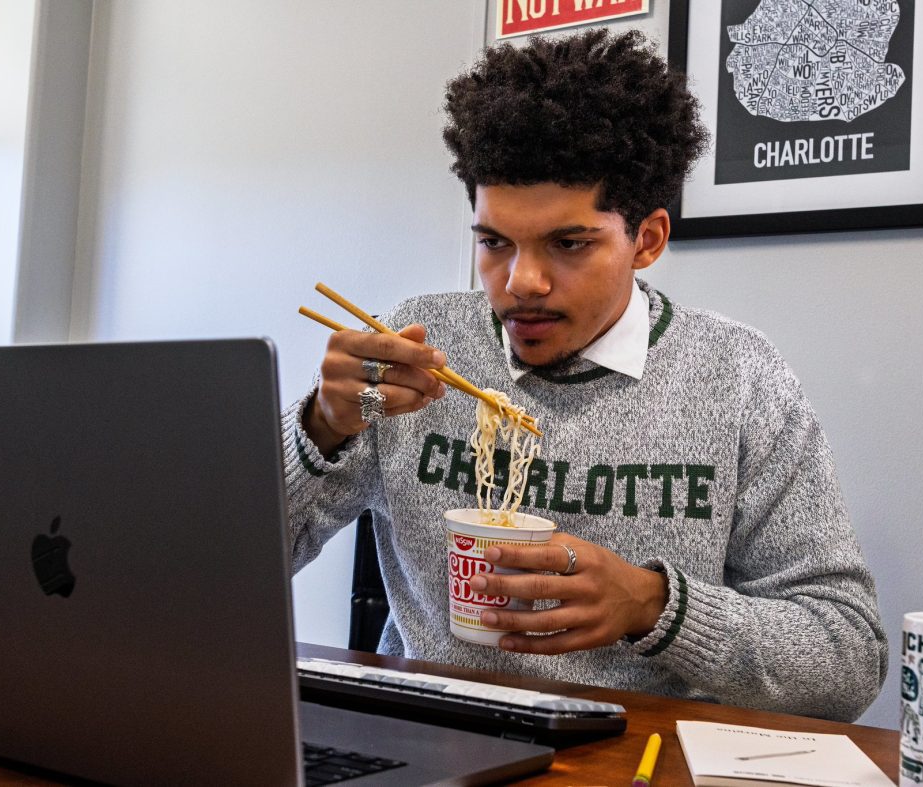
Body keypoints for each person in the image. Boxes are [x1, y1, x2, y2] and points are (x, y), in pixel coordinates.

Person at [281, 29, 887, 722]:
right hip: (434, 739)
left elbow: (847, 657)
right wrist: (321, 430)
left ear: (648, 240)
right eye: (493, 242)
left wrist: (655, 606)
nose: (522, 282)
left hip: (643, 754)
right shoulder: (419, 345)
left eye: (569, 244)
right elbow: (226, 565)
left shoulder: (738, 379)